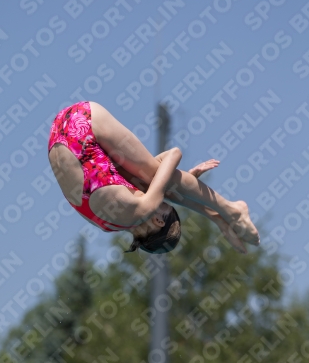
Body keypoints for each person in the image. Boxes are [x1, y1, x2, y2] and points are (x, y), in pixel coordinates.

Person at [48, 101, 259, 254]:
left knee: (154, 177)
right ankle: (223, 213)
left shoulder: (142, 209)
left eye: (162, 203)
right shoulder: (108, 224)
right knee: (155, 179)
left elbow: (173, 154)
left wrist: (176, 181)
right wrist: (188, 188)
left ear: (158, 220)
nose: (159, 198)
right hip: (57, 135)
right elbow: (153, 178)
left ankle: (231, 210)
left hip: (82, 121)